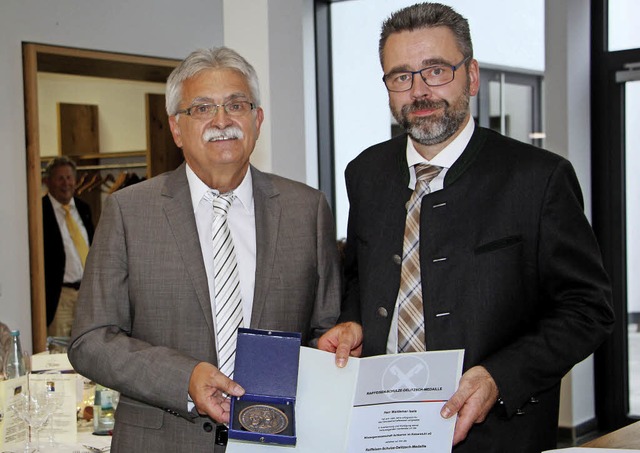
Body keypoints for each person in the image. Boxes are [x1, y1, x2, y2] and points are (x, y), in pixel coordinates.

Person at [318, 3, 615, 452]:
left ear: (471, 75)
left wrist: (500, 376)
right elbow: (363, 277)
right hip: (380, 430)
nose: (419, 91)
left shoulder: (538, 179)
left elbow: (587, 309)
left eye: (435, 70)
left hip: (497, 435)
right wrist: (353, 322)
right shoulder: (365, 173)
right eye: (401, 76)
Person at [68, 46, 341, 452]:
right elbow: (90, 339)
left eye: (236, 104)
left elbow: (324, 329)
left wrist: (333, 344)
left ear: (257, 119)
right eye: (202, 108)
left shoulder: (307, 209)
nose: (222, 120)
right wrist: (184, 378)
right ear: (177, 129)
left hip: (277, 442)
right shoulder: (128, 211)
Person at [42, 156, 94, 337]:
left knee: (87, 346)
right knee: (58, 350)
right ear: (47, 182)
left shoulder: (84, 208)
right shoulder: (40, 211)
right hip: (59, 297)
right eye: (60, 178)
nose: (66, 183)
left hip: (86, 295)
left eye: (69, 178)